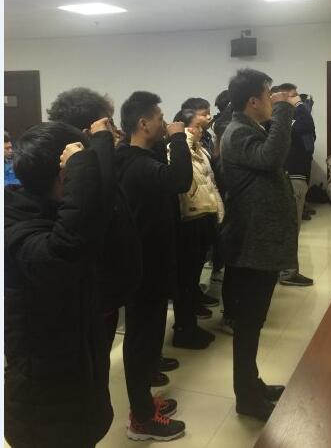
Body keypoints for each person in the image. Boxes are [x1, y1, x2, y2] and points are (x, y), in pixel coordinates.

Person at [5, 120, 116, 448]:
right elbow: (62, 253)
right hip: (42, 403)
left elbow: (98, 212)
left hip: (74, 381)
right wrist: (80, 169)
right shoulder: (15, 225)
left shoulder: (52, 210)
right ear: (63, 175)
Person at [220, 68, 300, 421]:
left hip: (258, 245)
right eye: (269, 97)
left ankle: (252, 385)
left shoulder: (248, 128)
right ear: (253, 101)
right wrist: (284, 110)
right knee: (248, 325)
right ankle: (246, 398)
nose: (272, 101)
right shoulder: (237, 132)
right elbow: (271, 157)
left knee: (253, 322)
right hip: (250, 246)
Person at [47, 87, 143, 367]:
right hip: (91, 291)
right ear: (86, 132)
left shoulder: (94, 164)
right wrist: (101, 140)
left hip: (105, 289)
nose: (114, 132)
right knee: (92, 365)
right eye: (106, 124)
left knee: (99, 361)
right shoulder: (67, 171)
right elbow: (100, 199)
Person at [117, 91, 192, 441]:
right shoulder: (136, 164)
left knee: (148, 338)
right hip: (142, 268)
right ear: (143, 123)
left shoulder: (138, 158)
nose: (165, 123)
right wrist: (178, 138)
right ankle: (142, 420)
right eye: (160, 119)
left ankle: (145, 404)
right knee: (141, 340)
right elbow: (179, 180)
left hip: (150, 263)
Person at [171, 108, 224, 349]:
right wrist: (184, 139)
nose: (201, 131)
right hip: (189, 219)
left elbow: (210, 184)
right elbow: (184, 181)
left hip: (204, 215)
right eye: (197, 126)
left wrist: (218, 212)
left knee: (193, 275)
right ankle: (184, 329)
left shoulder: (199, 149)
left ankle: (190, 324)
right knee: (186, 277)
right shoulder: (177, 148)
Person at [277, 82, 315, 287]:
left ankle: (284, 269)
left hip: (298, 176)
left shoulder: (291, 120)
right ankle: (287, 272)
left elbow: (309, 133)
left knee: (291, 226)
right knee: (291, 227)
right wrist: (300, 105)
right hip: (292, 176)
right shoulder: (283, 120)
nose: (298, 99)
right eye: (293, 95)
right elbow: (307, 123)